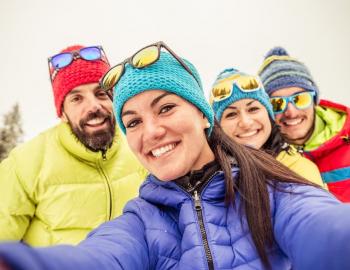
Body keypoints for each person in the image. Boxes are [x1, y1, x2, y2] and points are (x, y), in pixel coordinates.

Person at [0, 41, 350, 270]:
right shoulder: (142, 217)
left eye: (165, 108)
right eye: (133, 121)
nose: (150, 132)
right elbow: (100, 256)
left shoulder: (270, 188)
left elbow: (322, 226)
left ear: (203, 114)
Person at [0, 44, 147, 246]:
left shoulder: (141, 149)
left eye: (101, 93)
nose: (93, 106)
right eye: (77, 98)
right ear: (62, 113)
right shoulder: (25, 163)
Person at [258, 46, 350, 202]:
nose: (291, 112)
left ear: (314, 101)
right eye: (277, 103)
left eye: (300, 99)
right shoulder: (263, 158)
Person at [210, 68, 324, 187]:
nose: (246, 123)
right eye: (231, 114)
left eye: (253, 109)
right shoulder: (209, 175)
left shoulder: (299, 170)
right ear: (218, 126)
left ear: (269, 115)